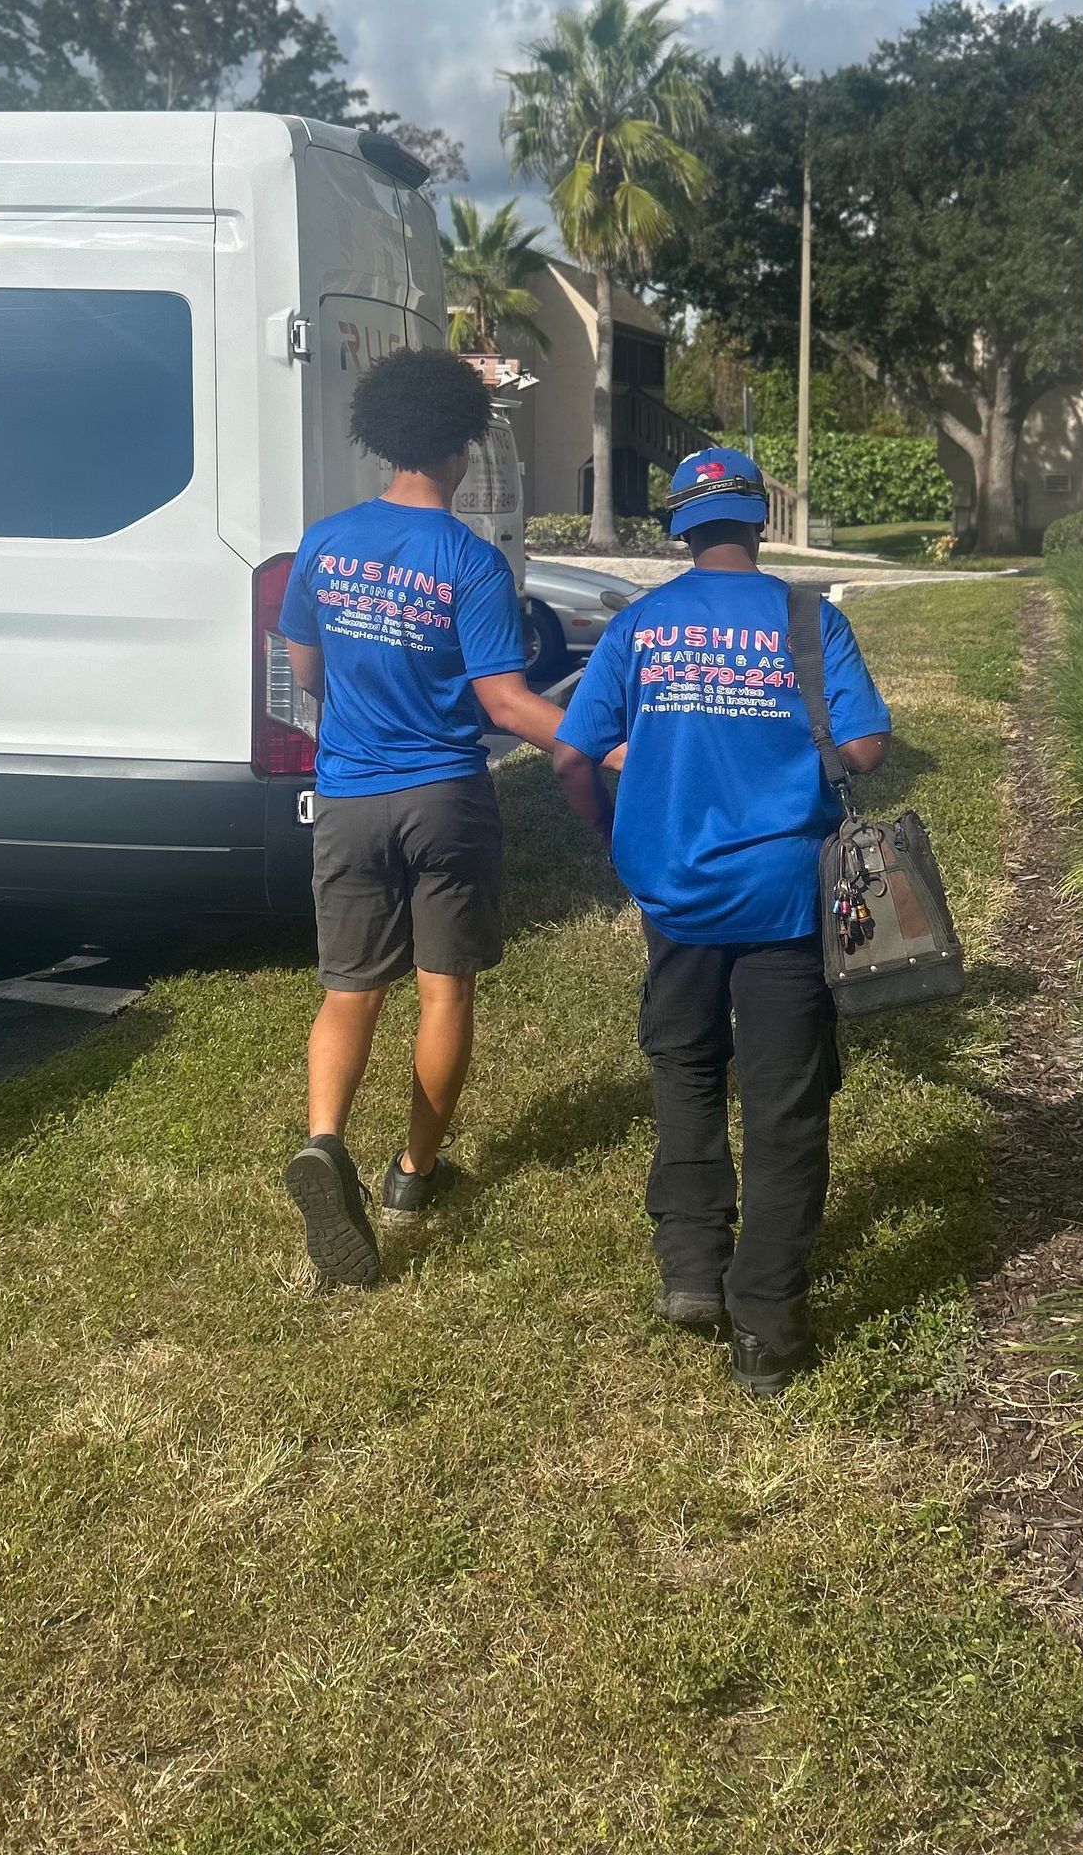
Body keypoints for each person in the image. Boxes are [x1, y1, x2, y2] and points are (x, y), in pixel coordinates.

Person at [552, 446, 891, 1397]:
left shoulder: (643, 622)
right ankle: (767, 1331)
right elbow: (864, 744)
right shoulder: (807, 620)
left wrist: (615, 837)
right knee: (785, 1107)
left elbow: (574, 756)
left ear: (680, 527)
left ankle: (692, 1268)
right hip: (788, 899)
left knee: (686, 1065)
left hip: (677, 896)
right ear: (758, 519)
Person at [277, 344, 570, 1290]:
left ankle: (325, 1143)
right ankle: (414, 1173)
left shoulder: (322, 543)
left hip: (350, 798)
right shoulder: (473, 564)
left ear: (379, 438)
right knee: (444, 993)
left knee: (348, 990)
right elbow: (507, 704)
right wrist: (617, 746)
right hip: (446, 797)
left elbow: (307, 668)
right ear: (463, 445)